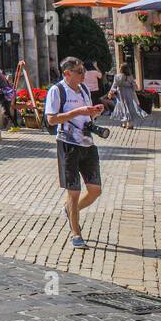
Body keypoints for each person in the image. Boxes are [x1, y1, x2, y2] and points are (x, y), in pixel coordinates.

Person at [45, 56, 106, 249]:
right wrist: (76, 113)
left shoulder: (85, 89)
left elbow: (88, 115)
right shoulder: (58, 90)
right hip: (67, 144)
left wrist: (95, 111)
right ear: (67, 73)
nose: (84, 74)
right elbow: (51, 120)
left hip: (87, 143)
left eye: (84, 71)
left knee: (95, 191)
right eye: (80, 72)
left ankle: (70, 210)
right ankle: (76, 233)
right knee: (74, 191)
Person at [105, 64, 145, 129]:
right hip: (129, 93)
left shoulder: (117, 76)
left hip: (120, 93)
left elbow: (114, 86)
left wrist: (110, 93)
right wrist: (134, 89)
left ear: (121, 69)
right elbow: (134, 86)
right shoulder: (130, 76)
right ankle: (130, 123)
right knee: (129, 107)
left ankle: (124, 123)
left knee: (122, 107)